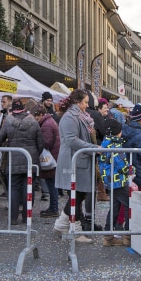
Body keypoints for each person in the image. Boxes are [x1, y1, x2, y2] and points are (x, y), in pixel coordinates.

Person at [53, 89, 101, 243]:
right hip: (73, 161)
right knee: (77, 194)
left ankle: (65, 225)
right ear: (77, 102)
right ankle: (72, 228)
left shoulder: (79, 116)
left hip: (80, 160)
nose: (87, 106)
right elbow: (71, 140)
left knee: (78, 194)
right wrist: (93, 148)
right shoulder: (70, 117)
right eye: (86, 102)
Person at [0, 99, 44, 225]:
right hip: (30, 160)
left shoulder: (8, 122)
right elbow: (40, 143)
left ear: (12, 111)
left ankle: (13, 217)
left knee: (14, 188)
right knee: (29, 188)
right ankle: (27, 217)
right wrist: (35, 154)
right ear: (24, 109)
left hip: (14, 159)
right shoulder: (33, 122)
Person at [99, 118, 131, 247]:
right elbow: (122, 165)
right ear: (117, 133)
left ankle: (108, 235)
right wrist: (131, 169)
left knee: (114, 207)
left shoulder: (104, 144)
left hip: (109, 181)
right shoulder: (116, 146)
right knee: (129, 206)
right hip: (118, 181)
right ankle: (128, 235)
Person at [32, 105, 61, 218]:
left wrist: (38, 141)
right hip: (54, 156)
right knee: (52, 183)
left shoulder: (46, 125)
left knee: (52, 184)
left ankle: (54, 208)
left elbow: (47, 143)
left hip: (51, 158)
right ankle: (53, 207)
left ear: (40, 115)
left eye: (36, 116)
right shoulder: (49, 121)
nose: (35, 119)